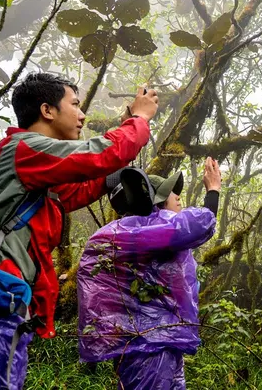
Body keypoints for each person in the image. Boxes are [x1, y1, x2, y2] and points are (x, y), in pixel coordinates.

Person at [0, 72, 160, 390]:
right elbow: (101, 154)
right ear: (47, 110)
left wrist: (115, 170)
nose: (82, 114)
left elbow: (77, 190)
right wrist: (138, 119)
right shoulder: (23, 149)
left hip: (0, 314)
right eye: (75, 104)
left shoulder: (36, 171)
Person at [76, 158, 223, 390]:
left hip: (162, 340)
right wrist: (213, 189)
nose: (178, 198)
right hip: (147, 343)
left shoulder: (146, 236)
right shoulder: (138, 233)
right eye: (171, 194)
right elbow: (197, 225)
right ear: (155, 203)